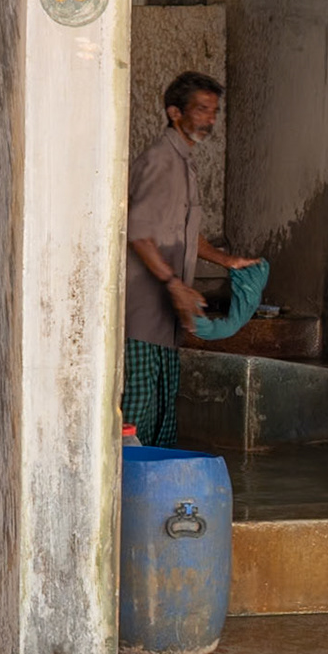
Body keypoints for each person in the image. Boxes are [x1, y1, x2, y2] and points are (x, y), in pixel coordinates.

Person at [123, 71, 259, 448]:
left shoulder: (185, 163)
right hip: (142, 318)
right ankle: (126, 500)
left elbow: (183, 231)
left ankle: (153, 497)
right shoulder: (159, 162)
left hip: (167, 323)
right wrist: (174, 284)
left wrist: (225, 261)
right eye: (201, 110)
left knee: (163, 419)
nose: (209, 120)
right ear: (174, 112)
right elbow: (137, 232)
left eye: (213, 112)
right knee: (137, 419)